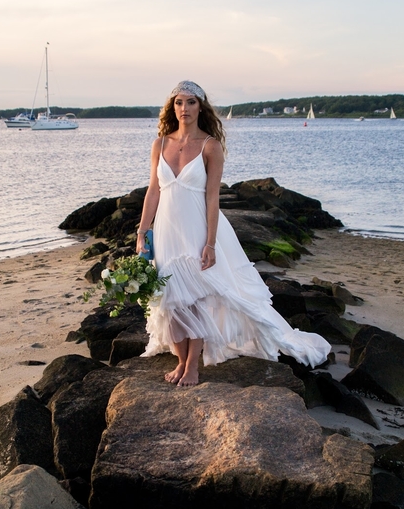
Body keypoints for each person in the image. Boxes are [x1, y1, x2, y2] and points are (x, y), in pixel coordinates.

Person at [136, 80, 331, 387]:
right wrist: (142, 229)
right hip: (165, 230)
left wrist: (211, 242)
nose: (184, 108)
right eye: (178, 102)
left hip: (197, 228)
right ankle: (180, 359)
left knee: (199, 294)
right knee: (171, 296)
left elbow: (212, 197)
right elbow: (153, 190)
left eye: (190, 102)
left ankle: (192, 367)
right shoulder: (160, 144)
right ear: (171, 107)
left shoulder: (210, 146)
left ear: (201, 107)